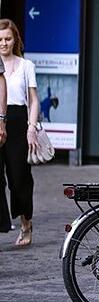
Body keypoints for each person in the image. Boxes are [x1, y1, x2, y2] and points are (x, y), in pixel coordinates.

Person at [0, 19, 38, 246]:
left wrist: (31, 128)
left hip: (18, 122)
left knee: (19, 178)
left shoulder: (26, 65)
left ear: (15, 40)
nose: (3, 43)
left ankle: (26, 222)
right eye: (0, 39)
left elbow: (33, 101)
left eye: (7, 38)